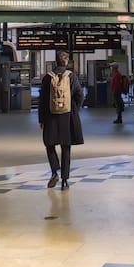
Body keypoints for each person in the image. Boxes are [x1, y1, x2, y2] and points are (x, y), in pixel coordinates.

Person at [38, 51, 83, 190]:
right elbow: (80, 95)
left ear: (55, 62)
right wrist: (75, 108)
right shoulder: (72, 77)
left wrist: (42, 119)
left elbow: (43, 101)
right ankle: (65, 181)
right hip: (67, 117)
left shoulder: (47, 78)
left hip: (51, 117)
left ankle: (54, 171)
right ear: (66, 62)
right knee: (66, 147)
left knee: (49, 144)